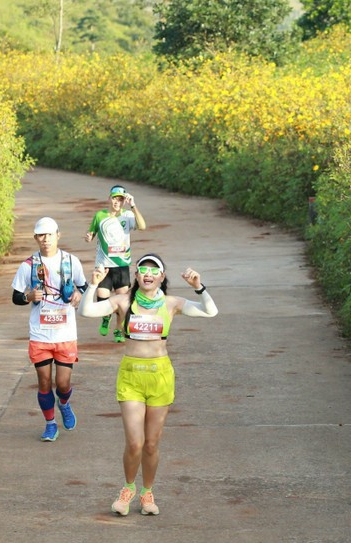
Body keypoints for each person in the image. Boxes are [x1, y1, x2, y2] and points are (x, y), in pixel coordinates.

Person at [79, 253, 218, 515]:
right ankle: (128, 489)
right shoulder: (123, 301)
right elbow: (86, 310)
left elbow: (211, 311)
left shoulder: (171, 303)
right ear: (136, 274)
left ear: (162, 277)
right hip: (131, 375)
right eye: (143, 269)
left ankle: (147, 493)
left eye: (154, 271)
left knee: (152, 444)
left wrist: (199, 287)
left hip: (160, 376)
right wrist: (94, 284)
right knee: (135, 443)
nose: (148, 274)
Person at [12, 217, 88, 442]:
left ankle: (63, 403)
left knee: (63, 384)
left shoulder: (71, 261)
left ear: (58, 235)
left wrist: (79, 294)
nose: (46, 240)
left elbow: (83, 285)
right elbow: (16, 296)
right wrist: (27, 296)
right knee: (44, 381)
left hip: (65, 333)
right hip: (40, 334)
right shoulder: (28, 265)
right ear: (36, 238)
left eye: (49, 235)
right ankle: (50, 424)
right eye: (41, 235)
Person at [84, 185, 146, 343]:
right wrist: (89, 236)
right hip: (104, 266)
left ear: (124, 201)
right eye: (114, 198)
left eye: (120, 199)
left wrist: (133, 205)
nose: (117, 202)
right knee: (102, 300)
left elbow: (142, 226)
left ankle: (118, 330)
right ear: (109, 198)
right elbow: (91, 232)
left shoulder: (128, 215)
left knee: (122, 302)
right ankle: (106, 318)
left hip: (122, 265)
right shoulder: (100, 215)